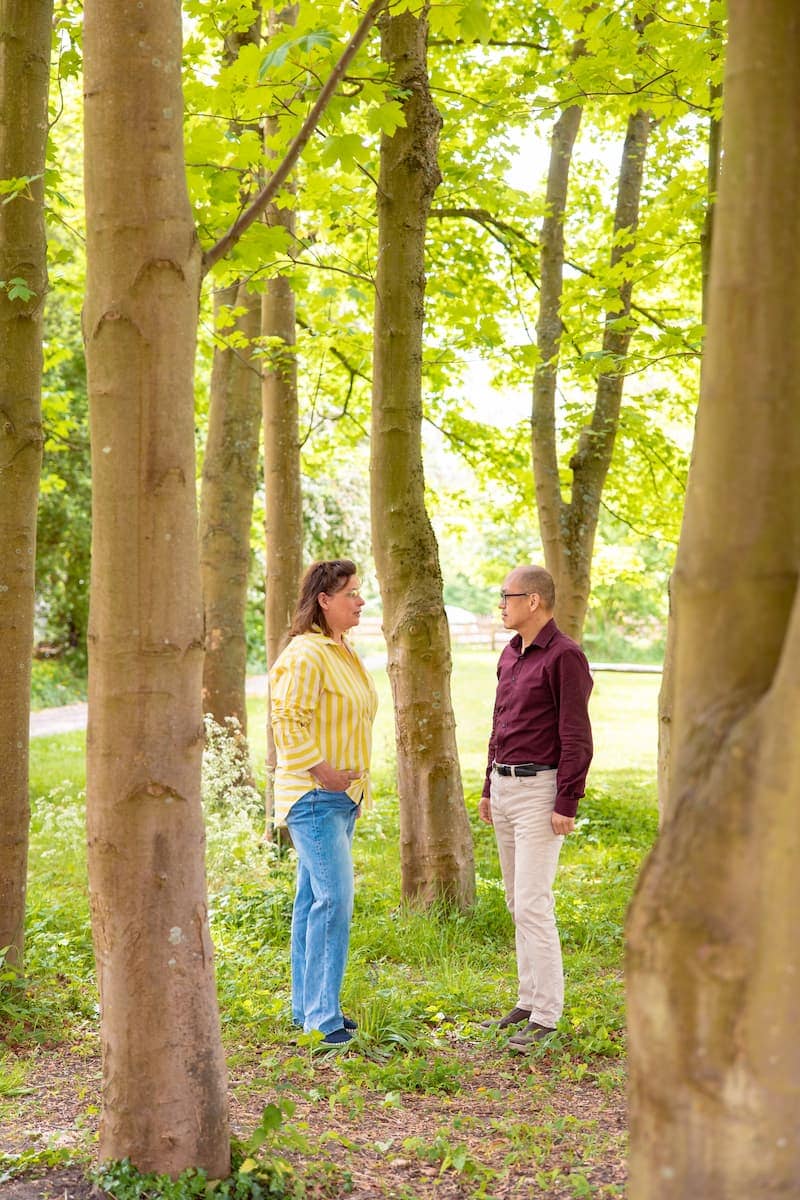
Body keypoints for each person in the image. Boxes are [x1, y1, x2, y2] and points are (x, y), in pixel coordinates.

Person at [479, 564, 593, 1052]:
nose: (501, 603)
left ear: (535, 602)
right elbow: (500, 722)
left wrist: (567, 798)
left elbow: (576, 735)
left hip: (540, 793)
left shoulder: (565, 657)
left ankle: (547, 1015)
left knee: (532, 903)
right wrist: (488, 786)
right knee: (515, 901)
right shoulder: (510, 654)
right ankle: (527, 1001)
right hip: (504, 789)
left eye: (508, 596)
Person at [269, 559, 378, 1049]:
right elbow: (287, 720)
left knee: (313, 900)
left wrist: (348, 787)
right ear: (324, 601)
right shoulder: (306, 653)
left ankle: (307, 1008)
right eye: (351, 593)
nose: (359, 600)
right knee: (334, 900)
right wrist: (323, 771)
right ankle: (322, 1019)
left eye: (359, 592)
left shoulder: (342, 650)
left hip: (340, 799)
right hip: (314, 797)